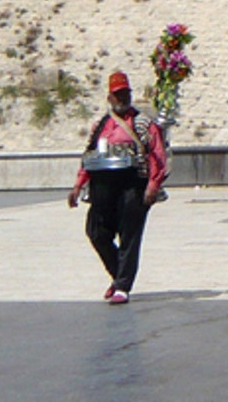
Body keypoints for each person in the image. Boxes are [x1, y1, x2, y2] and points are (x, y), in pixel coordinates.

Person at [68, 70, 169, 304]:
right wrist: (78, 185)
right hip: (103, 185)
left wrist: (153, 184)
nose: (122, 98)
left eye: (125, 93)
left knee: (129, 234)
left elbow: (158, 154)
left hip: (132, 183)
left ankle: (123, 286)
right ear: (109, 97)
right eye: (117, 94)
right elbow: (89, 155)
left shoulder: (143, 123)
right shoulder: (100, 125)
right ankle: (119, 275)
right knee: (96, 231)